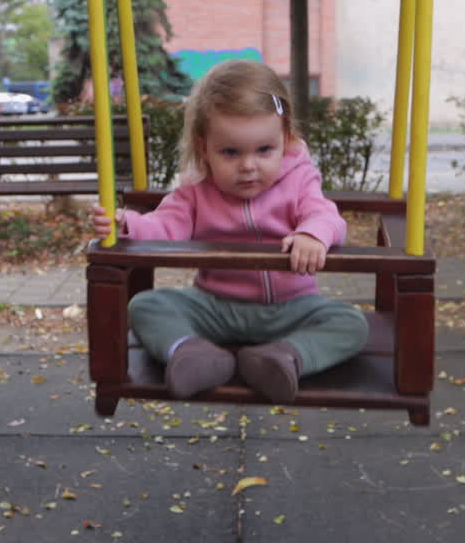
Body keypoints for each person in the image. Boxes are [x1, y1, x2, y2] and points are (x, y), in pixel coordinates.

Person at [91, 59, 368, 403]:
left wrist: (313, 234)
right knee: (146, 305)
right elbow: (165, 227)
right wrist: (128, 224)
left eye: (265, 150)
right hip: (214, 306)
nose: (248, 166)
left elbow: (325, 215)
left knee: (350, 323)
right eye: (231, 152)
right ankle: (192, 354)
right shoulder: (196, 191)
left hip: (291, 307)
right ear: (204, 147)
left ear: (286, 139)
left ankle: (283, 358)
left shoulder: (299, 181)